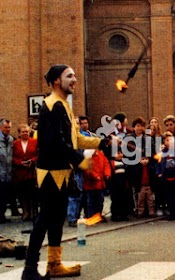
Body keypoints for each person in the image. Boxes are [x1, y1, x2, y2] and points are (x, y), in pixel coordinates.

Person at [22, 64, 111, 280]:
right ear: (56, 82)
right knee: (44, 219)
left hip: (60, 172)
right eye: (69, 76)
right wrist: (82, 162)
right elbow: (56, 145)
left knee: (55, 219)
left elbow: (75, 138)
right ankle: (29, 269)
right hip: (52, 173)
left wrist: (103, 142)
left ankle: (54, 264)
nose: (75, 80)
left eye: (74, 76)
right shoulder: (53, 106)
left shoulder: (63, 105)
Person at [12, 124, 38, 221]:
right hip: (20, 173)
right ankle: (25, 212)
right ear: (19, 133)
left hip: (31, 172)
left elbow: (38, 154)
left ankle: (32, 213)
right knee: (22, 194)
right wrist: (20, 163)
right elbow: (13, 157)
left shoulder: (34, 142)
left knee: (32, 193)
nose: (25, 133)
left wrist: (32, 161)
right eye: (23, 132)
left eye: (27, 131)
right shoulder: (15, 144)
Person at [0, 119, 18, 223]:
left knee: (5, 195)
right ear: (1, 127)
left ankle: (2, 215)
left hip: (9, 172)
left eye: (9, 127)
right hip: (0, 171)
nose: (8, 129)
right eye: (6, 127)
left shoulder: (12, 140)